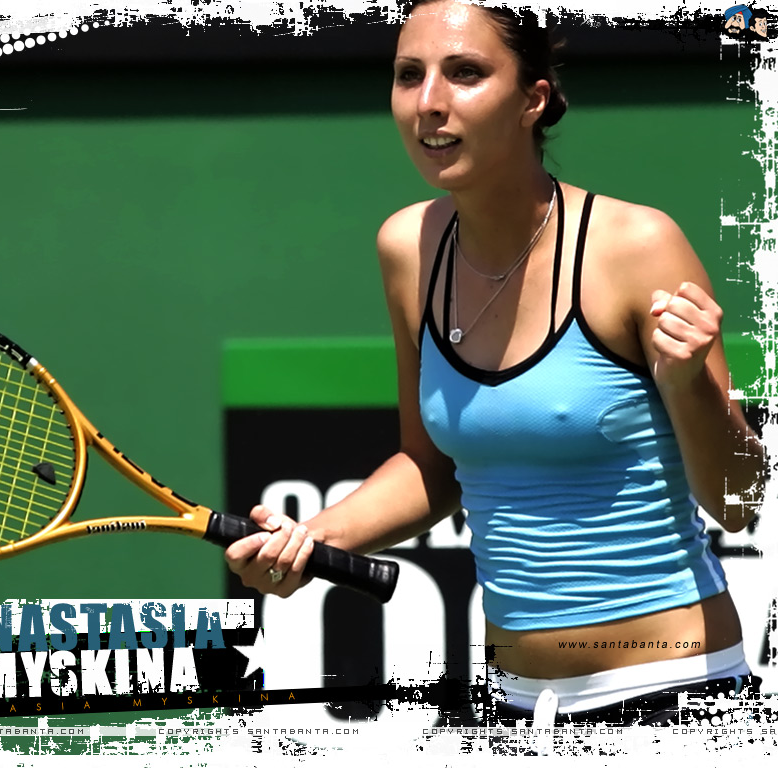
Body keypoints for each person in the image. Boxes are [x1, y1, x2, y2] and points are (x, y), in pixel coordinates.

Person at [224, 1, 768, 727]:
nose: (429, 102)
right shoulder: (408, 248)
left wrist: (687, 384)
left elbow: (741, 500)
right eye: (409, 75)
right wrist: (310, 540)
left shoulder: (638, 245)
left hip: (672, 695)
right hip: (514, 708)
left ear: (531, 100)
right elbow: (431, 468)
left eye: (465, 73)